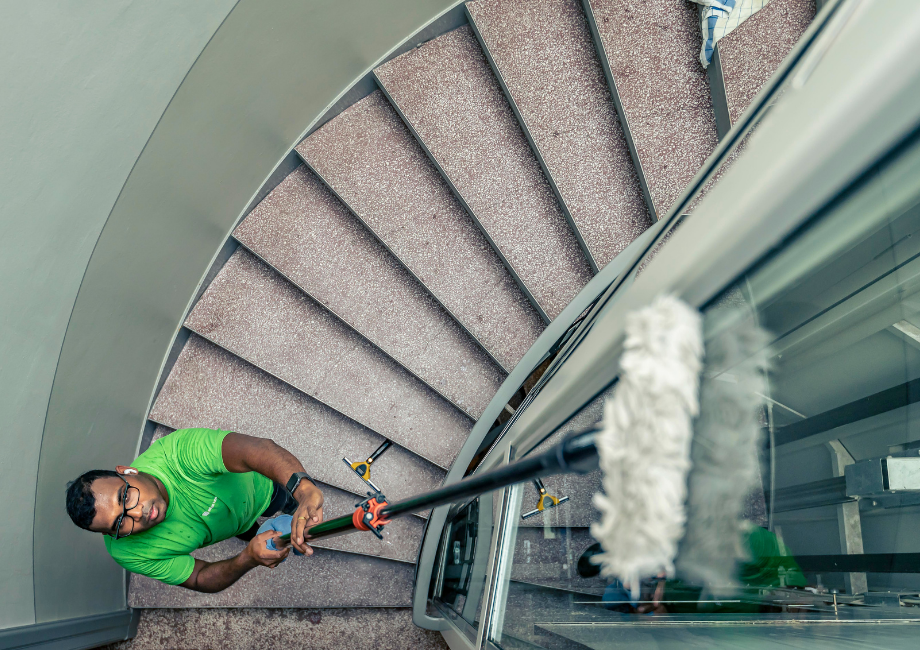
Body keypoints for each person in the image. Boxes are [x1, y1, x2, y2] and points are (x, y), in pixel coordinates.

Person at [64, 427, 324, 593]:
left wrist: (304, 492)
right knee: (247, 533)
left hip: (264, 492)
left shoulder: (177, 453)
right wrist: (248, 558)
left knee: (284, 502)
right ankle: (247, 531)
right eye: (120, 523)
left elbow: (257, 450)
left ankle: (289, 505)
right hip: (236, 525)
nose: (137, 514)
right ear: (112, 534)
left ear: (128, 471)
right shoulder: (127, 552)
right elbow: (198, 577)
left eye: (125, 496)